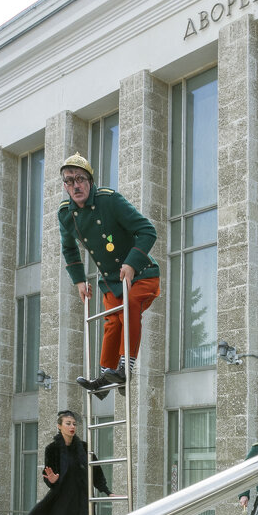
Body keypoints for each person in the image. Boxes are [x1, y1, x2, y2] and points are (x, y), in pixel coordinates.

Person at [57, 153, 160, 399]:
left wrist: (131, 264)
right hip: (111, 282)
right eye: (69, 181)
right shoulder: (66, 214)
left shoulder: (109, 200)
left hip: (142, 274)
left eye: (80, 179)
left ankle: (126, 367)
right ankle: (105, 377)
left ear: (90, 181)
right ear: (65, 186)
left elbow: (148, 230)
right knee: (112, 323)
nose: (75, 185)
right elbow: (69, 247)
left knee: (130, 306)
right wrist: (79, 280)